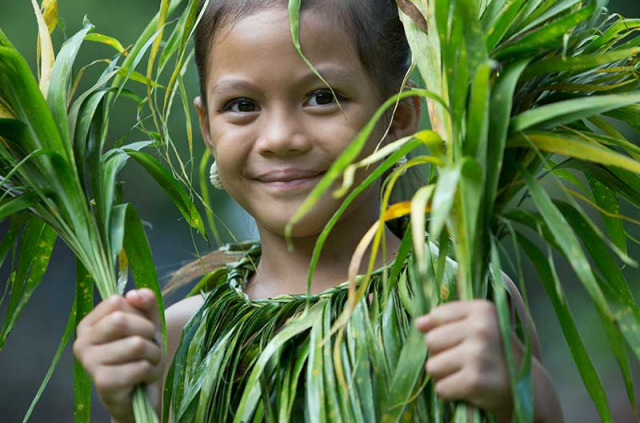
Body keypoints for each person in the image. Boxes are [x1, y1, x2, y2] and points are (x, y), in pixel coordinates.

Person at [73, 1, 564, 422]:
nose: (281, 138)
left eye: (322, 97)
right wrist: (130, 404)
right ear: (206, 127)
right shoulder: (179, 339)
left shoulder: (459, 302)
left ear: (401, 115)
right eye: (242, 105)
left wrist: (521, 397)